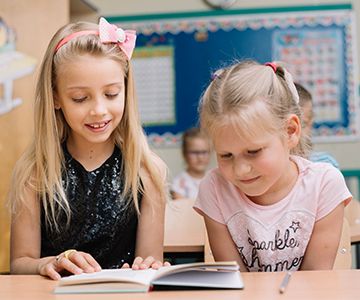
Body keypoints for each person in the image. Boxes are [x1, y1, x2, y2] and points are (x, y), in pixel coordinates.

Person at [6, 18, 170, 281]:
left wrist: (148, 267)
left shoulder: (149, 171)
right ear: (56, 97)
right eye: (80, 98)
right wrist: (51, 262)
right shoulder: (34, 173)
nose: (99, 110)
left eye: (112, 94)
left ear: (126, 90)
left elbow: (149, 262)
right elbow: (20, 264)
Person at [193, 61, 352, 272]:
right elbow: (234, 279)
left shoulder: (324, 184)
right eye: (226, 155)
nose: (240, 169)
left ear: (290, 132)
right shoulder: (214, 188)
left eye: (253, 151)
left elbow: (316, 280)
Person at [295, 82, 340, 169]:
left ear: (310, 125)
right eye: (289, 126)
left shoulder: (326, 163)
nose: (296, 133)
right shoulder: (270, 167)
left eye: (303, 124)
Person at [170, 126, 211, 199]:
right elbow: (182, 208)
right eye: (194, 152)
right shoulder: (178, 183)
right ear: (184, 153)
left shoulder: (214, 180)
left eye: (204, 152)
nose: (200, 157)